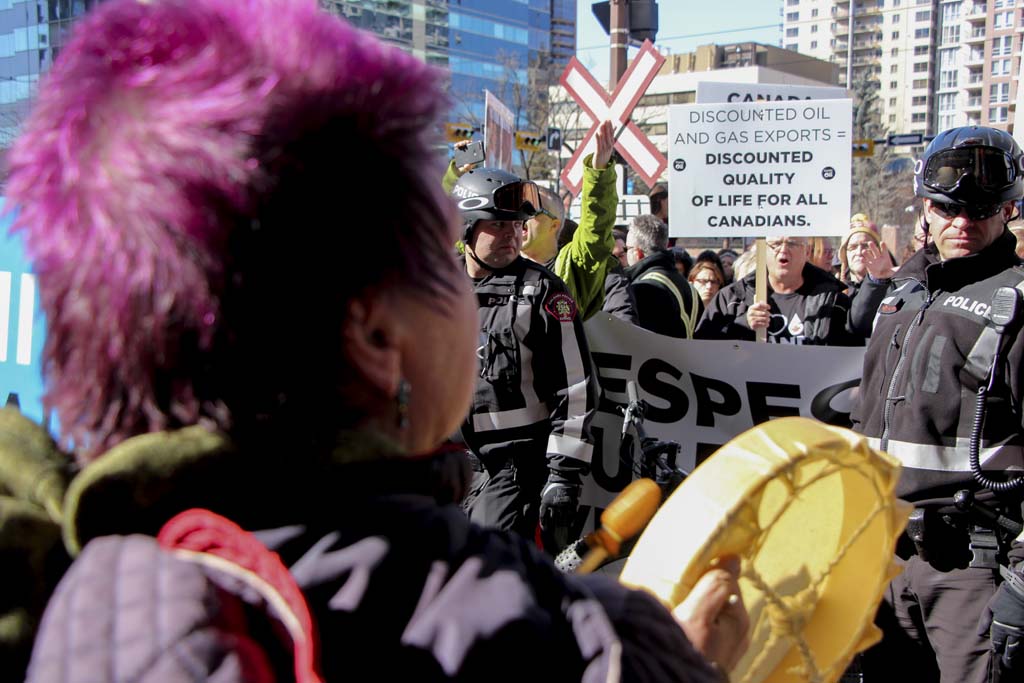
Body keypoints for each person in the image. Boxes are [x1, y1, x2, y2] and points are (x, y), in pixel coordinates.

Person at [3, 0, 751, 680]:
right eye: (439, 251)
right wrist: (678, 664)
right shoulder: (558, 639)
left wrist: (560, 473)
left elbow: (576, 390)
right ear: (376, 333)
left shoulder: (53, 587)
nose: (492, 250)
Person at [851, 126, 1024, 683]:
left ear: (1008, 210)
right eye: (948, 208)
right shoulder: (903, 292)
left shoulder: (1018, 300)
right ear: (926, 207)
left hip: (973, 567)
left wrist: (1022, 584)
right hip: (886, 556)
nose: (963, 223)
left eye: (982, 210)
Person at [453, 167, 598, 553]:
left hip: (513, 467)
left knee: (485, 564)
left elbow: (577, 389)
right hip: (447, 464)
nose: (513, 235)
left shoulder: (543, 291)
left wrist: (563, 476)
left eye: (518, 225)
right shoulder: (434, 285)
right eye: (499, 225)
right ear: (466, 229)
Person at [518, 120, 636, 324]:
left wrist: (599, 174)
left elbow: (595, 229)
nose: (521, 217)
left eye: (531, 210)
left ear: (554, 224)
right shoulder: (500, 261)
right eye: (518, 209)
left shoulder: (571, 267)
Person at [696, 236, 859, 346]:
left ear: (807, 252)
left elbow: (852, 358)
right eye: (775, 244)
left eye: (792, 244)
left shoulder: (833, 301)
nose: (783, 250)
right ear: (763, 251)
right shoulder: (732, 298)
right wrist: (742, 324)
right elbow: (703, 350)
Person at [624, 214, 703, 338]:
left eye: (627, 248)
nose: (625, 253)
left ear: (637, 252)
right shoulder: (687, 286)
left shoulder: (645, 288)